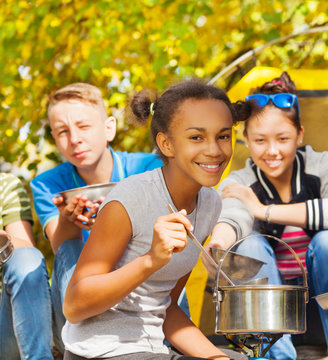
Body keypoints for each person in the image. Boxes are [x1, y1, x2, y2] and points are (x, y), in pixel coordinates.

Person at [206, 72, 328, 360]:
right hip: (270, 322)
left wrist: (263, 210)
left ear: (300, 135)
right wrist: (218, 244)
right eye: (259, 140)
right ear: (245, 140)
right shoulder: (240, 180)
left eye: (283, 138)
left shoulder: (326, 165)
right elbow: (232, 217)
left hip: (326, 310)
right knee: (250, 244)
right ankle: (277, 357)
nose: (272, 151)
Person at [61, 81, 245, 359]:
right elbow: (74, 305)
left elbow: (166, 307)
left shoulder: (209, 204)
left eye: (223, 136)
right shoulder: (131, 199)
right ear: (166, 143)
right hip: (99, 350)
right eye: (196, 137)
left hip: (152, 348)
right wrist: (150, 260)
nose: (214, 150)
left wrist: (217, 357)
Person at [30, 83, 164, 352]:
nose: (75, 139)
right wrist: (69, 221)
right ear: (55, 139)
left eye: (84, 127)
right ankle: (84, 344)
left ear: (108, 128)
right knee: (70, 246)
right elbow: (62, 250)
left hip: (139, 290)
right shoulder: (46, 184)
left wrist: (116, 220)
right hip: (82, 304)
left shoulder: (147, 168)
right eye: (63, 132)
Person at [0, 172, 53, 359]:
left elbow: (26, 257)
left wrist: (3, 242)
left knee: (27, 258)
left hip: (4, 326)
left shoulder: (5, 185)